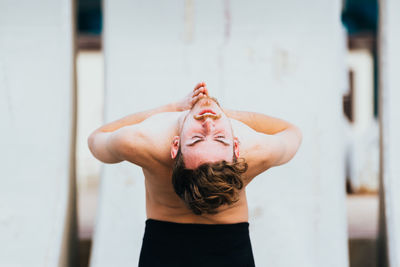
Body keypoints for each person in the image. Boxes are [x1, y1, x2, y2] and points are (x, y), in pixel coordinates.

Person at [88, 82, 302, 267]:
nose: (208, 122)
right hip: (229, 250)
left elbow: (96, 139)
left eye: (201, 138)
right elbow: (292, 132)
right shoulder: (255, 151)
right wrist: (225, 116)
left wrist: (171, 109)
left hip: (162, 250)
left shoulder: (142, 142)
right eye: (214, 137)